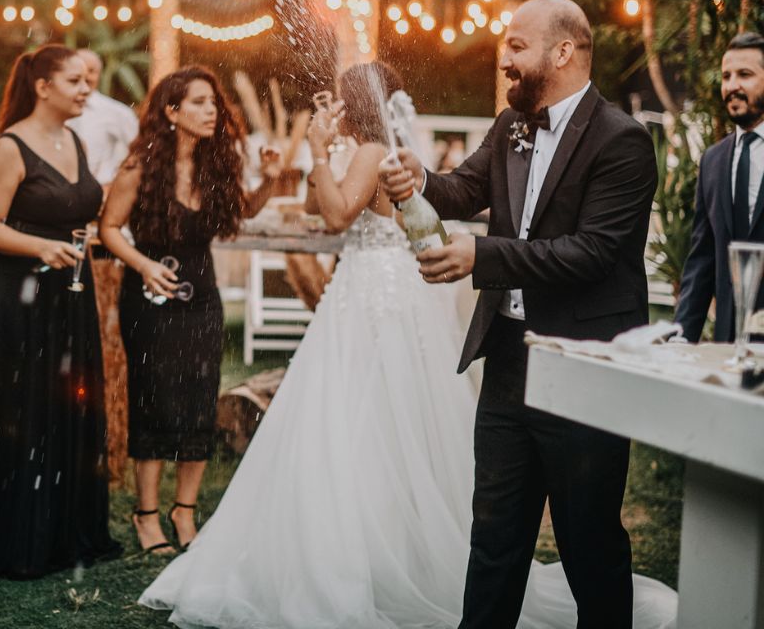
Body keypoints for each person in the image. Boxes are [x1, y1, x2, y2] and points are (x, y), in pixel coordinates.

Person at [141, 59, 677, 629]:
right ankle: (372, 547)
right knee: (357, 419)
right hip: (361, 289)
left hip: (377, 292)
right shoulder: (374, 151)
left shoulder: (372, 150)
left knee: (368, 421)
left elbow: (338, 213)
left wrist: (320, 152)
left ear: (357, 105)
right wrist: (317, 159)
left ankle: (374, 553)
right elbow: (323, 213)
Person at [379, 0, 666, 628]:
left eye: (515, 46)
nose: (502, 58)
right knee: (495, 538)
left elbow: (589, 253)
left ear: (563, 51)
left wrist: (480, 256)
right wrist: (418, 180)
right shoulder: (509, 126)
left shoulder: (623, 140)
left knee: (588, 541)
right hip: (509, 363)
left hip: (584, 365)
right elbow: (463, 189)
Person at [0, 44, 121, 578]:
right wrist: (40, 247)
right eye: (75, 80)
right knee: (19, 411)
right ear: (42, 86)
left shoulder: (74, 140)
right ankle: (10, 535)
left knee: (65, 406)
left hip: (68, 292)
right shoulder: (10, 146)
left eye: (88, 80)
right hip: (13, 297)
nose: (86, 88)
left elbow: (82, 207)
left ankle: (60, 532)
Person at [99, 66, 279, 555]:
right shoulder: (140, 166)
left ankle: (185, 513)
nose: (211, 111)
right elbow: (109, 228)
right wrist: (142, 267)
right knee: (154, 401)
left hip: (202, 298)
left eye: (213, 103)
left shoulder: (216, 165)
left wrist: (271, 179)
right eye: (198, 102)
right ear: (171, 112)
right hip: (151, 299)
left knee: (199, 401)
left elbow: (240, 216)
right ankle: (147, 516)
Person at [675, 32, 764, 341]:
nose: (732, 85)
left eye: (745, 74)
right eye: (727, 76)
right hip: (729, 343)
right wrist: (680, 339)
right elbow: (702, 261)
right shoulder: (712, 160)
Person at [67, 48, 138, 185]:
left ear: (100, 74)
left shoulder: (116, 111)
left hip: (100, 190)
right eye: (79, 71)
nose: (85, 76)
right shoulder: (58, 108)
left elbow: (138, 152)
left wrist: (116, 183)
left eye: (91, 71)